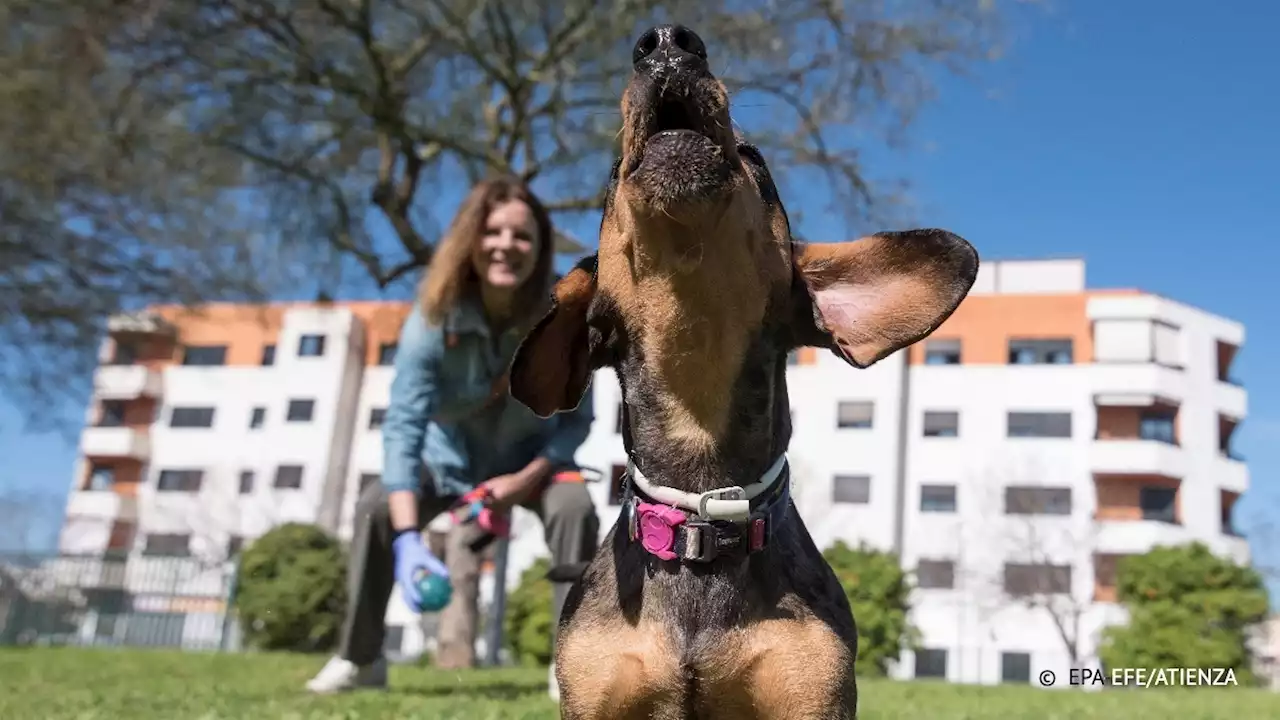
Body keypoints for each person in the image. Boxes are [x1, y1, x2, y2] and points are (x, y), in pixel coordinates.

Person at [305, 176, 600, 696]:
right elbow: (404, 424)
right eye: (493, 232)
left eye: (523, 236)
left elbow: (576, 420)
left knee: (574, 506)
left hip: (530, 464)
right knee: (376, 506)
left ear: (540, 247)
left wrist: (523, 480)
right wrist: (406, 542)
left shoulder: (562, 317)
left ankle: (569, 666)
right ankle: (360, 657)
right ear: (471, 239)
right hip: (446, 465)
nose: (507, 246)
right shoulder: (434, 315)